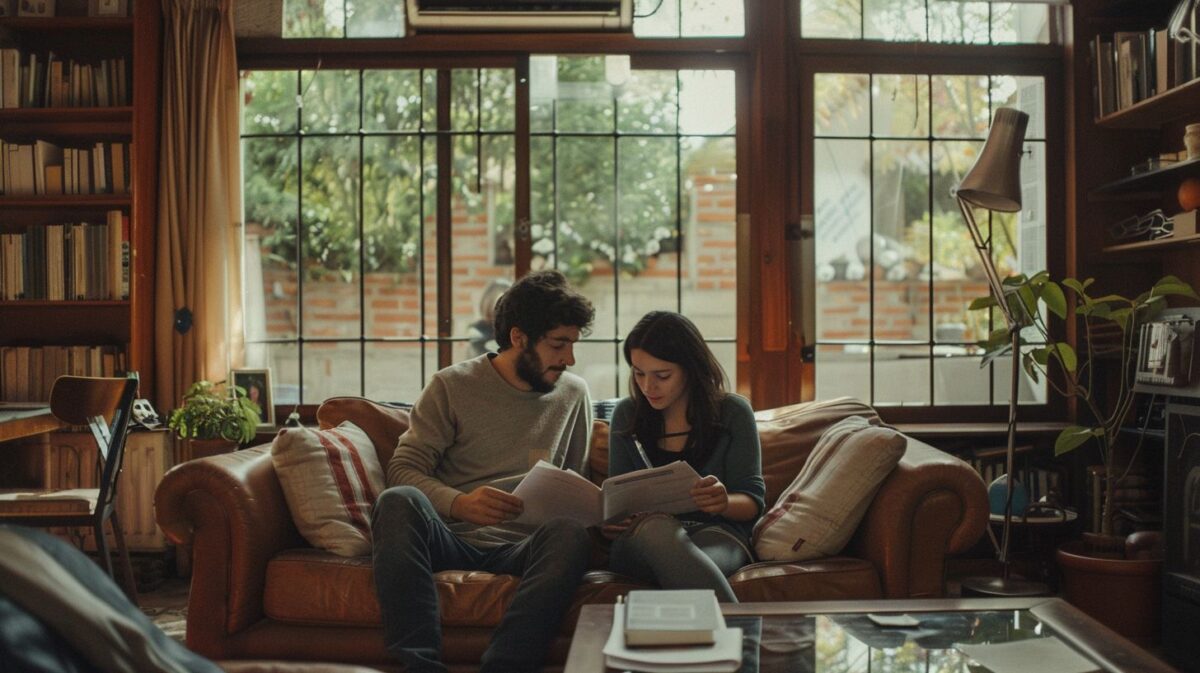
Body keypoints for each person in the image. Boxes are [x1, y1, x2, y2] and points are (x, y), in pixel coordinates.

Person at [371, 269, 597, 673]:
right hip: (452, 538)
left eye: (573, 345)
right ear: (518, 337)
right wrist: (459, 504)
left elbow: (576, 481)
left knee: (570, 533)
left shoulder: (574, 394)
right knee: (397, 501)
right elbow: (403, 470)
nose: (569, 358)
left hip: (526, 547)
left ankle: (506, 666)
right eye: (559, 344)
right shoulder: (451, 386)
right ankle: (419, 665)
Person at [603, 311, 765, 603]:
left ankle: (724, 638)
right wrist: (612, 521)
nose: (647, 387)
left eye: (662, 376)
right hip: (641, 541)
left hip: (715, 535)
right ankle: (742, 639)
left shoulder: (733, 413)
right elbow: (617, 499)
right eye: (639, 373)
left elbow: (752, 501)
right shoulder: (627, 415)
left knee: (690, 563)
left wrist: (723, 502)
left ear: (690, 369)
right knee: (657, 530)